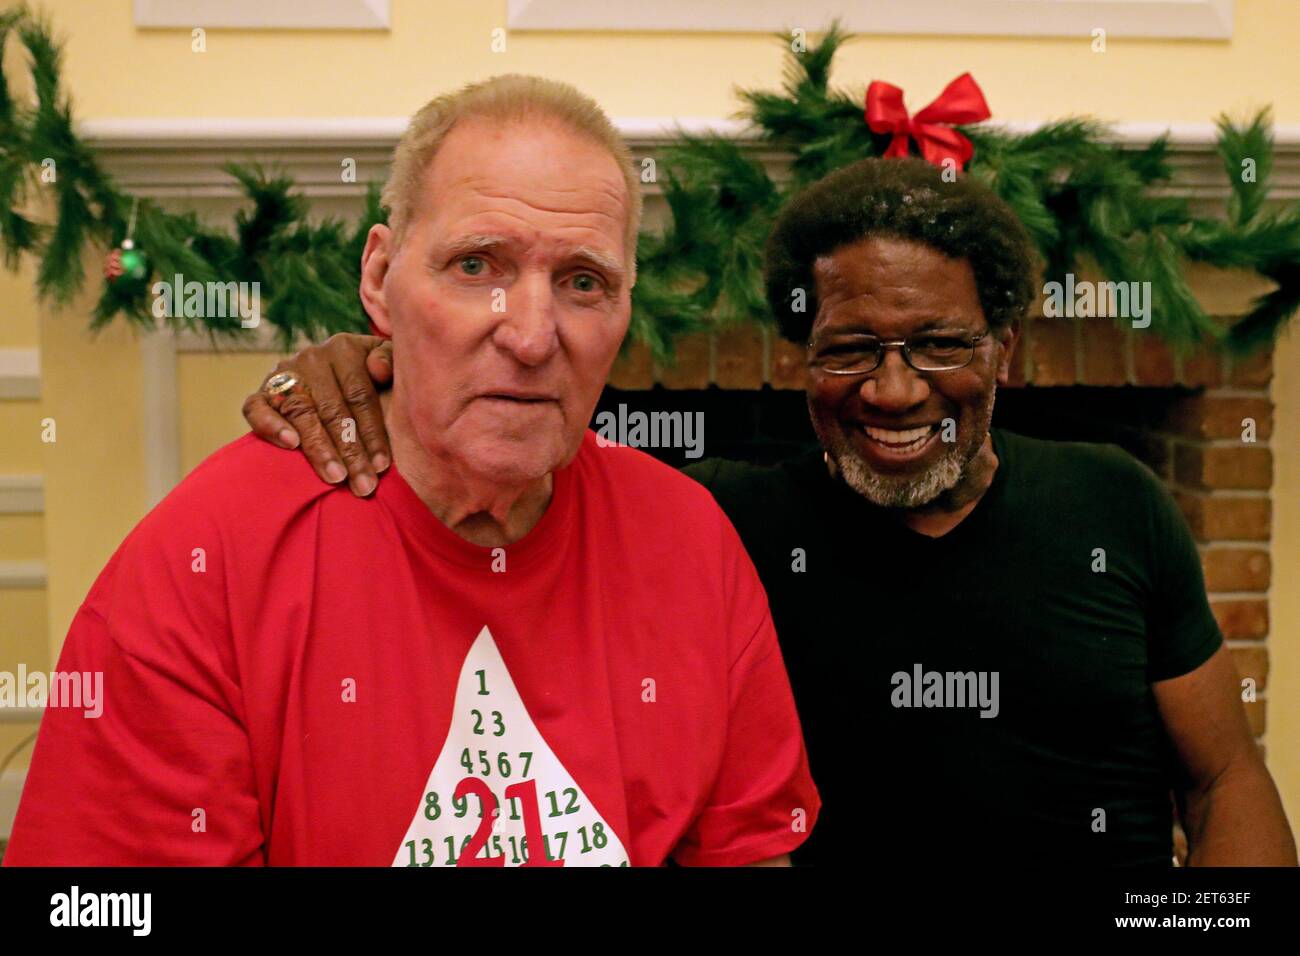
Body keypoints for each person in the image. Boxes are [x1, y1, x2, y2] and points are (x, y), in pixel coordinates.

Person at [246, 156, 1298, 866]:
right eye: (849, 350)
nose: (893, 389)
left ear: (1003, 351)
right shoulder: (712, 528)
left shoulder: (1116, 500)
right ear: (801, 360)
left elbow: (1221, 778)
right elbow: (510, 438)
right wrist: (361, 365)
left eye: (936, 344)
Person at [4, 75, 819, 867]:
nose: (532, 337)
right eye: (477, 267)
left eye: (582, 282)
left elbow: (746, 852)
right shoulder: (201, 563)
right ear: (379, 279)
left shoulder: (691, 542)